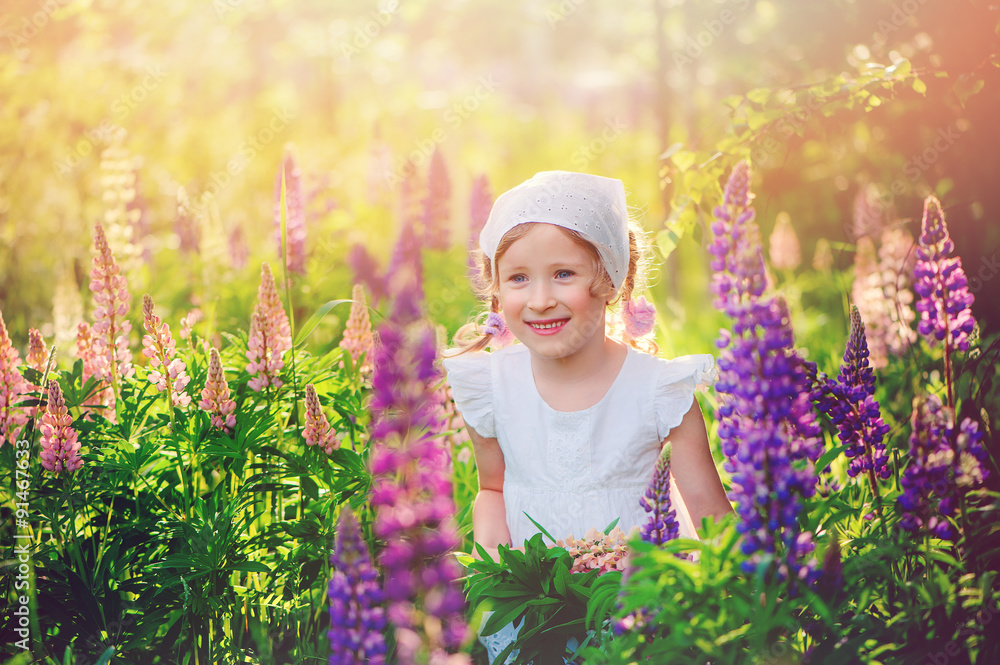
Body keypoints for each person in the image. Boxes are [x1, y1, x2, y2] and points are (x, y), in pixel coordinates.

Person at [442, 171, 733, 663]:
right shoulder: (490, 386)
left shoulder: (660, 390)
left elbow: (711, 518)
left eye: (563, 274)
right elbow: (492, 488)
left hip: (642, 611)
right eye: (518, 278)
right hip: (533, 616)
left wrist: (750, 599)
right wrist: (500, 577)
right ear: (495, 289)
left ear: (609, 280)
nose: (539, 300)